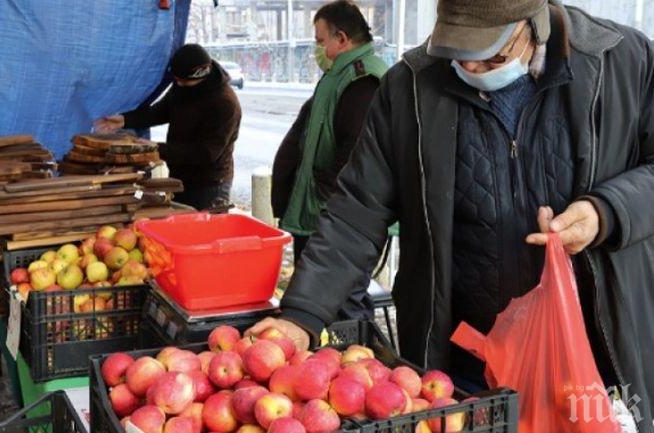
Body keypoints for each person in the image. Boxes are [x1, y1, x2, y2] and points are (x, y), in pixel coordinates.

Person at [250, 0, 654, 431]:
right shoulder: (411, 86)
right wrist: (303, 314)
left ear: (531, 23)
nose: (471, 66)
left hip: (592, 361)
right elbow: (356, 212)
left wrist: (606, 211)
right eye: (457, 51)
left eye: (491, 55)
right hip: (464, 368)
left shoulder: (619, 62)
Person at [272, 0, 388, 262]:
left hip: (337, 220)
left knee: (328, 287)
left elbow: (354, 153)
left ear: (342, 39)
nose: (317, 49)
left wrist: (322, 193)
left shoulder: (362, 80)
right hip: (322, 213)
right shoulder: (339, 74)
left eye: (320, 41)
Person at [95, 44, 241, 210]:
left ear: (201, 74)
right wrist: (125, 120)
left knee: (202, 225)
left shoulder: (224, 103)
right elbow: (161, 111)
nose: (179, 84)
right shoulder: (181, 85)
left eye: (183, 81)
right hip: (179, 176)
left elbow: (206, 153)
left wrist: (156, 149)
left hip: (209, 184)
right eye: (176, 80)